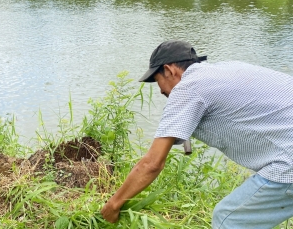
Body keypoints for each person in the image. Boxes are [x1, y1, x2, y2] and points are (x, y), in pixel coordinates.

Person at [101, 40, 293, 228]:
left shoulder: (188, 88)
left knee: (228, 219)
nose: (160, 91)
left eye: (157, 80)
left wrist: (113, 204)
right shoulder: (226, 69)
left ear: (169, 70)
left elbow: (152, 164)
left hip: (288, 163)